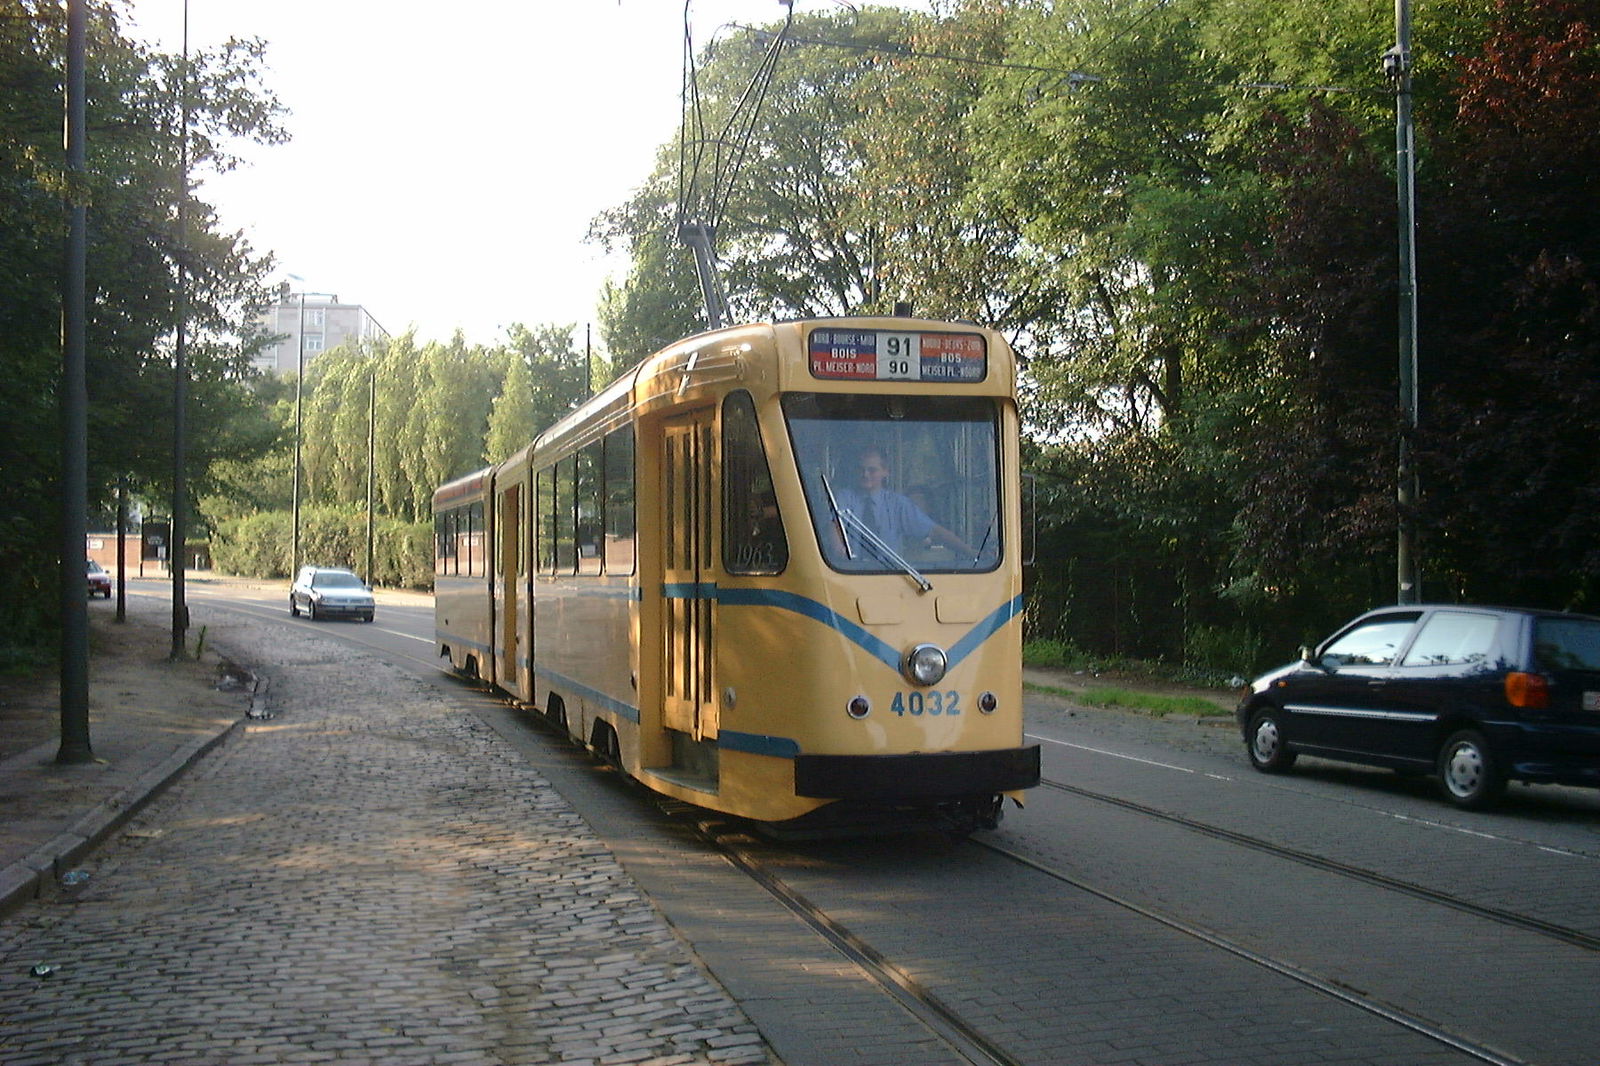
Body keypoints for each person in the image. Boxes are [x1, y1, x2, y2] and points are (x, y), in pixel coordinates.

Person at [831, 446, 976, 560]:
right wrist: (839, 548)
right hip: (849, 572)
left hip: (886, 573)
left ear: (885, 472)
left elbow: (934, 531)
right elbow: (836, 525)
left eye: (872, 470)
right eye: (861, 469)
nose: (865, 475)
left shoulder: (898, 504)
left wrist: (970, 552)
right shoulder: (844, 497)